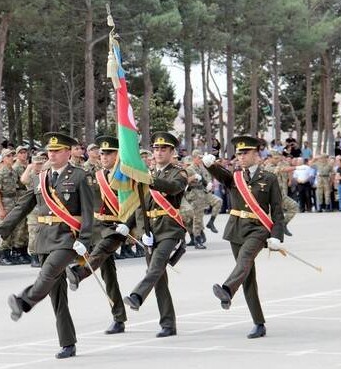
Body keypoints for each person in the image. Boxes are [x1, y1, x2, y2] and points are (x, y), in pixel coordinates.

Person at [0, 132, 94, 359]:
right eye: (49, 151)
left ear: (67, 152)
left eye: (56, 151)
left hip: (67, 238)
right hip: (44, 238)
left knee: (48, 273)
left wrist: (85, 239)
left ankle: (24, 301)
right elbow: (22, 207)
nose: (51, 155)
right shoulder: (40, 178)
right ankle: (68, 343)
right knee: (57, 294)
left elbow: (87, 212)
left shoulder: (80, 177)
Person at [203, 135, 284, 339]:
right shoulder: (235, 177)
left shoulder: (269, 178)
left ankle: (227, 290)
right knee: (247, 277)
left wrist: (276, 236)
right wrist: (210, 165)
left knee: (245, 259)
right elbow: (221, 175)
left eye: (245, 153)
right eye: (238, 153)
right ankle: (259, 323)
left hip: (257, 229)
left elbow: (277, 209)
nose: (241, 157)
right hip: (236, 229)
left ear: (257, 154)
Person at [122, 132, 188, 338]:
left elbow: (174, 188)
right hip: (150, 230)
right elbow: (141, 205)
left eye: (163, 149)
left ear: (172, 152)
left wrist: (150, 180)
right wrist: (129, 226)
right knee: (159, 278)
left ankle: (137, 295)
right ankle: (168, 324)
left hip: (169, 228)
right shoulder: (148, 173)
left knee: (156, 266)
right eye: (156, 149)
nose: (158, 152)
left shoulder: (179, 173)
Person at [66, 136, 128, 335]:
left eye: (108, 153)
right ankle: (119, 317)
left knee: (155, 269)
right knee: (108, 274)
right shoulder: (93, 174)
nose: (103, 156)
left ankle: (80, 272)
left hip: (120, 226)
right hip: (98, 228)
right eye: (101, 153)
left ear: (118, 154)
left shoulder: (127, 174)